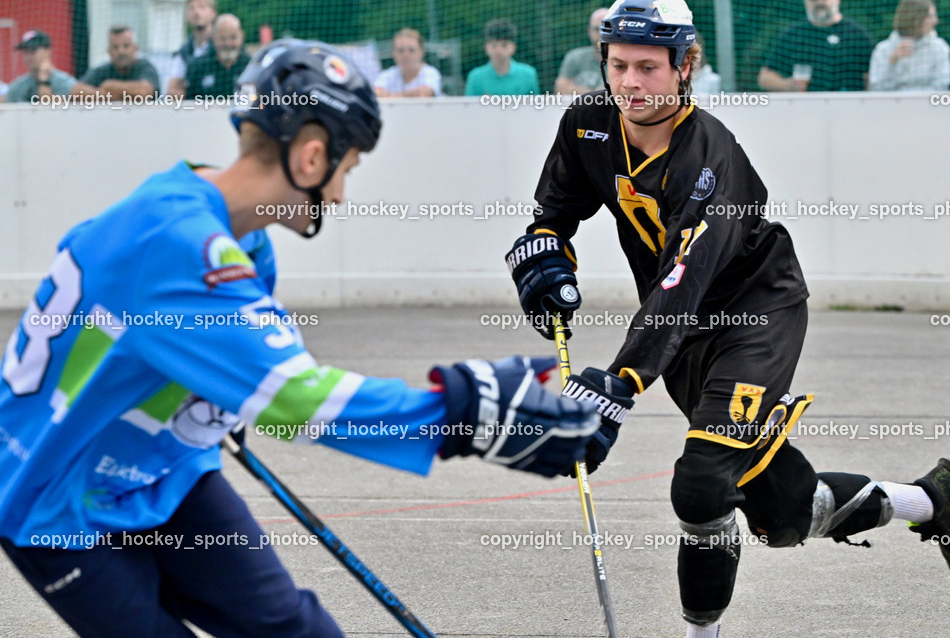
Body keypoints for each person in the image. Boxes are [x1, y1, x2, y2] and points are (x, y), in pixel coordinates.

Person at [0, 39, 599, 637]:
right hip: (60, 499)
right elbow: (298, 399)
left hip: (165, 466)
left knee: (297, 628)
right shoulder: (188, 249)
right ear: (312, 157)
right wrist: (462, 414)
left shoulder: (227, 228)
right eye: (348, 168)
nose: (340, 193)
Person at [506, 0, 950, 638]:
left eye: (649, 66)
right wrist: (545, 255)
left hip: (754, 315)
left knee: (700, 485)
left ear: (685, 64)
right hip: (678, 330)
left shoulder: (709, 158)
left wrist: (618, 384)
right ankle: (932, 498)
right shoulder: (587, 122)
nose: (631, 82)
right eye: (618, 65)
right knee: (782, 511)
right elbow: (555, 212)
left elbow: (682, 281)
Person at [758, 0, 873, 92]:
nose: (819, 3)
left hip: (848, 107)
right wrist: (787, 85)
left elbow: (873, 78)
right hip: (805, 108)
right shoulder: (793, 35)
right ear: (805, 0)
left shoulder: (857, 35)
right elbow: (765, 77)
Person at [869, 0, 950, 91]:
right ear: (914, 18)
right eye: (930, 16)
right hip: (892, 105)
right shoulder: (883, 49)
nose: (935, 21)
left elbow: (941, 86)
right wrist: (892, 62)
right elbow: (876, 89)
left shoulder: (939, 47)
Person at [73, 25, 160, 101]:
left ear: (135, 48)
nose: (121, 52)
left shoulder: (145, 68)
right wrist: (110, 95)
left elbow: (144, 91)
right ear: (108, 51)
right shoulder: (101, 72)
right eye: (115, 47)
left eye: (126, 46)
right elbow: (76, 92)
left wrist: (110, 86)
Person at [464, 19, 539, 96]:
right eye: (494, 45)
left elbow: (534, 105)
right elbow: (469, 107)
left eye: (504, 45)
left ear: (513, 47)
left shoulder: (528, 74)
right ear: (486, 47)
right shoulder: (476, 77)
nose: (498, 50)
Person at [184, 14, 250, 99]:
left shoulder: (250, 66)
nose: (228, 44)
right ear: (214, 38)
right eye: (222, 38)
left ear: (241, 37)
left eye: (233, 38)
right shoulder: (199, 67)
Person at [167, 0, 218, 98]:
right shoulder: (183, 53)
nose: (196, 12)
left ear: (213, 14)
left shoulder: (221, 47)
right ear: (186, 17)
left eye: (202, 7)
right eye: (191, 8)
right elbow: (172, 92)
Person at [3, 30, 76, 103]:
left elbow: (48, 106)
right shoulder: (18, 85)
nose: (28, 57)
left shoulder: (62, 81)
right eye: (25, 51)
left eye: (33, 50)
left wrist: (44, 81)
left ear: (47, 51)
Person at [374, 28, 443, 97]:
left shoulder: (430, 73)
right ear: (393, 53)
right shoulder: (386, 75)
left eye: (411, 50)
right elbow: (375, 95)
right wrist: (411, 94)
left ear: (422, 52)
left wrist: (389, 96)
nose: (406, 55)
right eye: (401, 50)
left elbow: (424, 94)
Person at [555, 7, 609, 95]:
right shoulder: (575, 57)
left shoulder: (624, 58)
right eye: (596, 29)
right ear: (589, 31)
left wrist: (577, 90)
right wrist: (600, 93)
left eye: (606, 29)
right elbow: (560, 89)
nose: (601, 34)